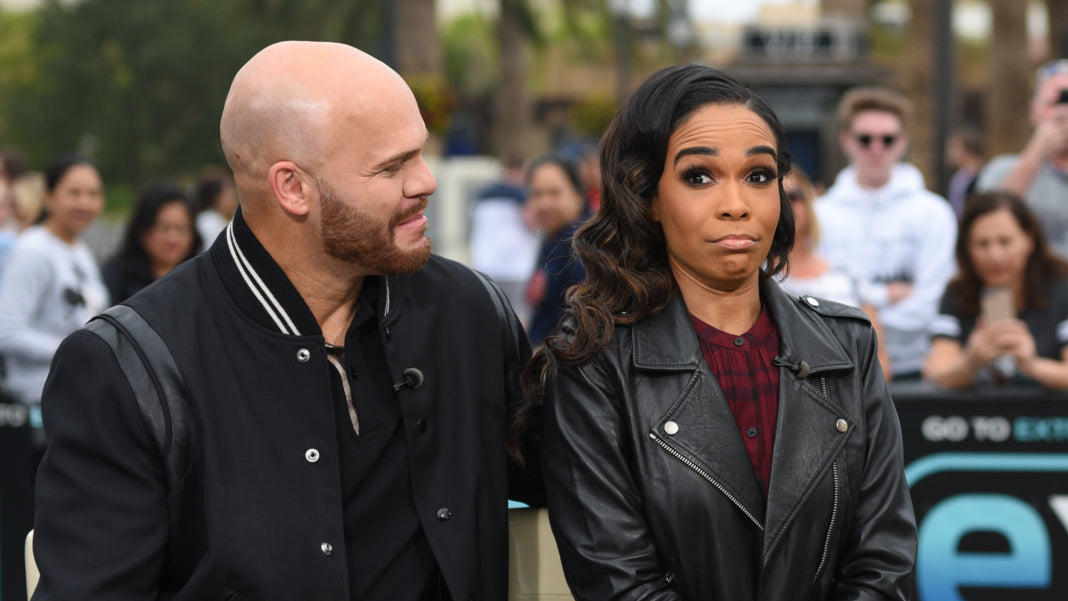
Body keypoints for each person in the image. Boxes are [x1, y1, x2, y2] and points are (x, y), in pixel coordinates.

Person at [32, 41, 542, 601]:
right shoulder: (128, 365)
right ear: (292, 188)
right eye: (392, 165)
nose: (425, 181)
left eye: (419, 153)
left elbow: (580, 480)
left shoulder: (468, 312)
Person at [524, 64, 916, 601]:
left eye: (758, 175)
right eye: (699, 176)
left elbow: (883, 560)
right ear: (648, 196)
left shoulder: (846, 346)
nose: (736, 204)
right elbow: (618, 581)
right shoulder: (595, 360)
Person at [815, 86, 958, 381]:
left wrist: (857, 314)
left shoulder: (934, 212)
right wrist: (883, 296)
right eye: (865, 139)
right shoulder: (820, 214)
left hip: (915, 367)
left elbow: (932, 302)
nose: (876, 148)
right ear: (846, 141)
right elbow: (814, 298)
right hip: (838, 370)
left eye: (888, 139)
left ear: (903, 142)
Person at [924, 191, 1068, 389]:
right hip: (978, 417)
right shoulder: (957, 293)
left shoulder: (1061, 289)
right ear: (967, 248)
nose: (995, 256)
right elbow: (936, 373)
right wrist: (971, 361)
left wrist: (1033, 365)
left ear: (1029, 240)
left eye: (1005, 242)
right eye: (983, 244)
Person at [0, 154, 109, 406]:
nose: (85, 203)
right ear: (48, 196)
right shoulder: (33, 250)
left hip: (78, 393)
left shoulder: (79, 249)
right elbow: (7, 332)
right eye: (74, 193)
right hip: (41, 401)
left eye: (93, 194)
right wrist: (75, 349)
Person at [778, 168, 892, 378]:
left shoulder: (844, 275)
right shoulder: (750, 279)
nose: (786, 205)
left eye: (794, 196)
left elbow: (879, 360)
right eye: (777, 197)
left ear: (809, 202)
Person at [977, 59, 1068, 258]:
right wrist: (1036, 153)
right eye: (1057, 102)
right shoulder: (1001, 169)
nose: (1064, 112)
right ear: (1033, 109)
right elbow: (987, 222)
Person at [101, 182, 202, 304]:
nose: (172, 238)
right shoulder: (115, 278)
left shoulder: (202, 279)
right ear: (143, 230)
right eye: (164, 228)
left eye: (181, 229)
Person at [524, 155, 588, 345]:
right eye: (537, 194)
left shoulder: (585, 243)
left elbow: (584, 319)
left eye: (554, 193)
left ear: (578, 196)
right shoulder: (553, 240)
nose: (544, 204)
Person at [467, 154, 538, 322]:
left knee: (489, 313)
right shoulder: (522, 197)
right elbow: (533, 222)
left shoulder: (482, 196)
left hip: (485, 265)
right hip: (516, 268)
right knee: (517, 313)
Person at [944, 126, 985, 219]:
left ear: (969, 151)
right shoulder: (960, 177)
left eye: (955, 147)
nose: (949, 152)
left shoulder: (981, 178)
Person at [193, 170, 238, 246]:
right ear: (216, 196)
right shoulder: (208, 221)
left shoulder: (219, 219)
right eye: (228, 193)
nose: (233, 196)